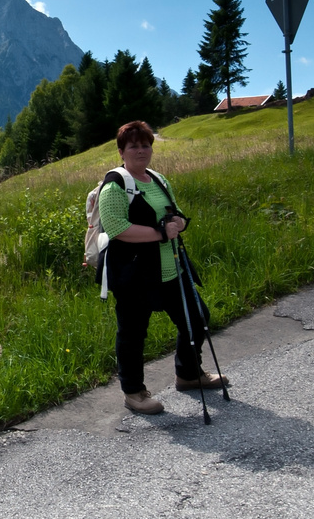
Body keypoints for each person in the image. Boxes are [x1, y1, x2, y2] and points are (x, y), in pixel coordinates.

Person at [98, 120, 228, 415]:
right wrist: (160, 233)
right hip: (134, 274)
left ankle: (188, 374)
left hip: (171, 268)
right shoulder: (115, 185)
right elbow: (117, 228)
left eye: (145, 145)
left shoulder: (158, 179)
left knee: (196, 318)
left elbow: (174, 212)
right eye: (134, 146)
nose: (141, 150)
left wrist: (180, 222)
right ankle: (134, 392)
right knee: (133, 332)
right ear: (121, 151)